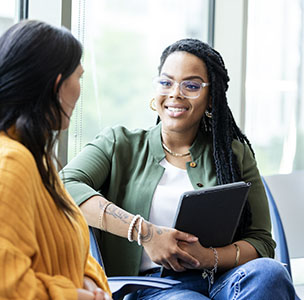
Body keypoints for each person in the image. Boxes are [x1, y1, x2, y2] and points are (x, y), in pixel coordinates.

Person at [60, 38, 299, 299]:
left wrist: (209, 258)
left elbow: (261, 242)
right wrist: (146, 233)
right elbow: (64, 186)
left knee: (271, 273)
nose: (175, 93)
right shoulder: (119, 143)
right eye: (166, 82)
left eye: (191, 86)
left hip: (221, 280)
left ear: (211, 99)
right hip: (150, 288)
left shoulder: (233, 155)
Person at [0, 20, 111, 300]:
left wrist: (88, 281)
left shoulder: (27, 157)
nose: (80, 88)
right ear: (57, 85)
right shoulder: (8, 163)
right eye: (79, 76)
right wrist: (73, 296)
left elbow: (72, 252)